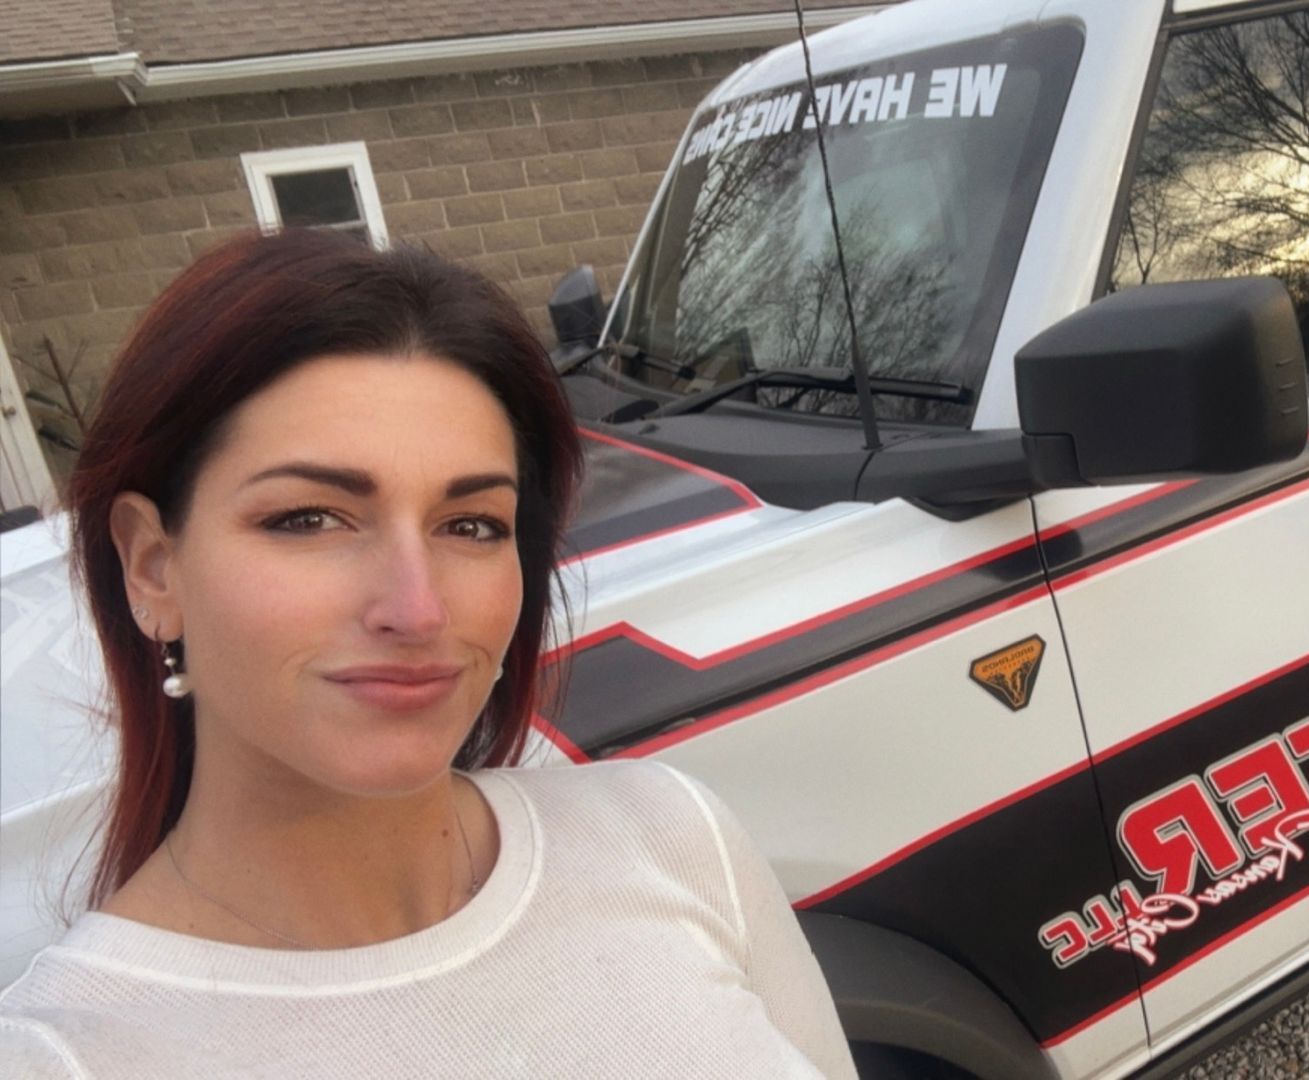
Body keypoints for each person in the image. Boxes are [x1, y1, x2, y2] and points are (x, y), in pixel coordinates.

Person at [0, 230, 857, 1079]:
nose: (416, 608)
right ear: (151, 567)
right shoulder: (61, 1056)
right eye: (308, 518)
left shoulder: (671, 838)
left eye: (471, 525)